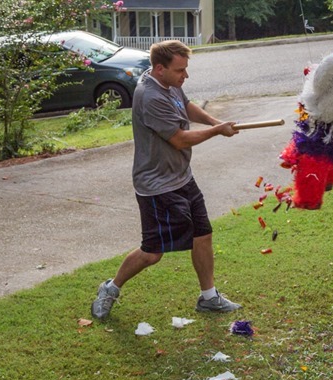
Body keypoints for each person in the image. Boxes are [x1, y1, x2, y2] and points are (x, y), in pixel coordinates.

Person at [91, 40, 242, 319]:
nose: (185, 76)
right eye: (180, 70)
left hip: (182, 177)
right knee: (152, 253)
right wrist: (218, 131)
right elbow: (179, 139)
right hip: (157, 186)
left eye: (185, 70)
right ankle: (110, 288)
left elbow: (186, 106)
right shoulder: (150, 97)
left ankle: (208, 297)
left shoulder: (170, 84)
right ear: (159, 69)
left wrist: (213, 122)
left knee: (203, 235)